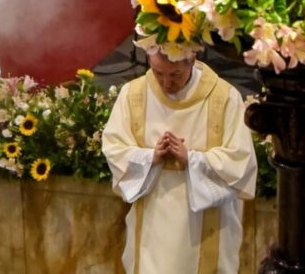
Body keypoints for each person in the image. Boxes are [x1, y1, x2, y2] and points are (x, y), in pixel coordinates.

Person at [102, 45, 257, 274]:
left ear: (192, 59)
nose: (166, 83)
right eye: (158, 73)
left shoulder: (223, 98)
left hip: (204, 234)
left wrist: (192, 160)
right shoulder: (133, 95)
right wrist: (149, 157)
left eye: (175, 74)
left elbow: (240, 161)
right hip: (151, 234)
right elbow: (114, 148)